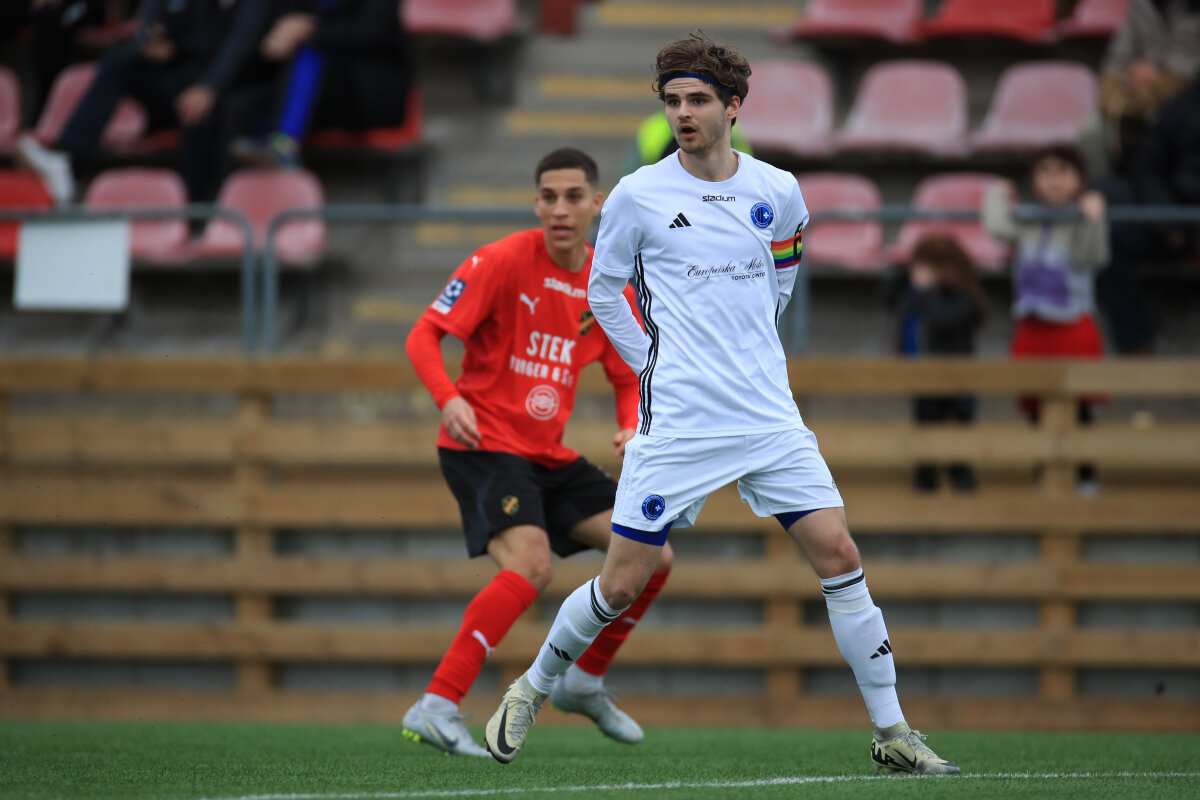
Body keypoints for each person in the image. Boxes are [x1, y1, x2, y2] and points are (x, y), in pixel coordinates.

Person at [483, 32, 959, 776]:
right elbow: (603, 293)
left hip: (768, 415)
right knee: (622, 582)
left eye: (698, 100)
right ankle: (534, 686)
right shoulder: (639, 194)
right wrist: (652, 362)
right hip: (679, 419)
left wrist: (747, 352)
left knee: (840, 554)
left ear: (733, 106)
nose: (683, 113)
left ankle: (892, 731)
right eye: (672, 101)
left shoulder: (779, 190)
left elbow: (781, 281)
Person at [400, 147, 674, 758]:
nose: (560, 209)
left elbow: (629, 375)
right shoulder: (500, 260)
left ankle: (584, 682)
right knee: (531, 566)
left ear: (597, 205)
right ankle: (437, 705)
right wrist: (448, 399)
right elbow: (424, 334)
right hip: (482, 445)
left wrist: (631, 426)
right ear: (536, 204)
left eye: (573, 197)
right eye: (548, 197)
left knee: (654, 557)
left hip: (546, 456)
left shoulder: (607, 283)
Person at [14, 0, 272, 204]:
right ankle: (69, 160)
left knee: (199, 112)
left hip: (227, 88)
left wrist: (209, 88)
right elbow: (155, 24)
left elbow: (241, 43)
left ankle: (197, 216)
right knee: (118, 63)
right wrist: (152, 43)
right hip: (181, 77)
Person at [983, 145, 1109, 495]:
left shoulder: (1083, 217)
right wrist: (997, 195)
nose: (1054, 180)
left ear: (1080, 181)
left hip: (1073, 326)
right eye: (1046, 171)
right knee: (1035, 408)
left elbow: (1094, 257)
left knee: (1080, 408)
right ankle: (1043, 474)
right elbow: (998, 227)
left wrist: (1094, 220)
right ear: (1034, 180)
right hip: (1033, 326)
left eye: (1064, 172)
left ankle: (1085, 476)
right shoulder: (1027, 221)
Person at [226, 0, 412, 169]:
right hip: (315, 93)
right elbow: (283, 24)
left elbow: (371, 32)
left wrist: (308, 30)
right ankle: (223, 191)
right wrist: (280, 35)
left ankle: (284, 144)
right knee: (240, 106)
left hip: (368, 92)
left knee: (308, 55)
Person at [1098, 72, 1200, 355]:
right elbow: (1147, 170)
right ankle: (1136, 346)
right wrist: (1170, 223)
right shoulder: (1179, 108)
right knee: (1108, 236)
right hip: (1177, 220)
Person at [882, 234, 987, 493]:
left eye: (927, 266)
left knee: (958, 440)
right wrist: (903, 271)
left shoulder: (962, 296)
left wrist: (927, 290)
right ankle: (926, 479)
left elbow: (943, 318)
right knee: (925, 436)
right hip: (922, 379)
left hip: (957, 381)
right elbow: (887, 298)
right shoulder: (917, 294)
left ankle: (961, 478)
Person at [1095, 0, 1200, 172]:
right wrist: (1128, 74)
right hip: (1134, 96)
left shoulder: (1193, 11)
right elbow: (1115, 60)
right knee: (1092, 132)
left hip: (1186, 97)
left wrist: (1160, 74)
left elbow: (1193, 62)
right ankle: (1103, 186)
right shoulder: (1140, 6)